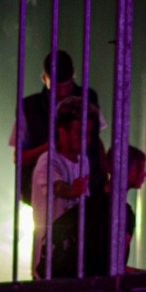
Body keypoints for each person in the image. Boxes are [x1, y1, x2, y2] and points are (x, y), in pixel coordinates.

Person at [9, 50, 107, 202]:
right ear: (44, 78)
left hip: (89, 190)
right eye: (56, 87)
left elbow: (96, 143)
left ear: (73, 74)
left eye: (67, 86)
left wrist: (104, 180)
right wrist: (47, 148)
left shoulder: (89, 99)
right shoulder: (29, 108)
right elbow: (19, 157)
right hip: (48, 196)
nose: (62, 92)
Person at [49, 143, 146, 276]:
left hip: (75, 280)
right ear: (123, 169)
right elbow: (115, 266)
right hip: (101, 284)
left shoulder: (90, 202)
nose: (144, 174)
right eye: (139, 169)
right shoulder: (123, 213)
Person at [30, 96, 89, 275]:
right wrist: (72, 190)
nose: (86, 139)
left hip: (72, 262)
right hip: (49, 263)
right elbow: (58, 186)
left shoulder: (83, 160)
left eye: (89, 133)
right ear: (62, 133)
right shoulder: (47, 161)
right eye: (79, 133)